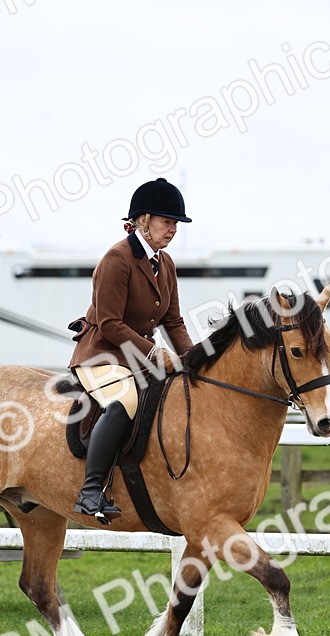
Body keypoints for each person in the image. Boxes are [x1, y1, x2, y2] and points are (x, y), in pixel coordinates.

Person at [67, 178, 195, 523]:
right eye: (167, 222)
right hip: (101, 354)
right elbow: (109, 323)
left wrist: (194, 359)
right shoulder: (117, 259)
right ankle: (90, 491)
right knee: (125, 399)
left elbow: (174, 321)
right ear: (144, 220)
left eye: (176, 224)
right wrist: (153, 353)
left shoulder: (165, 264)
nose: (173, 230)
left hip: (135, 357)